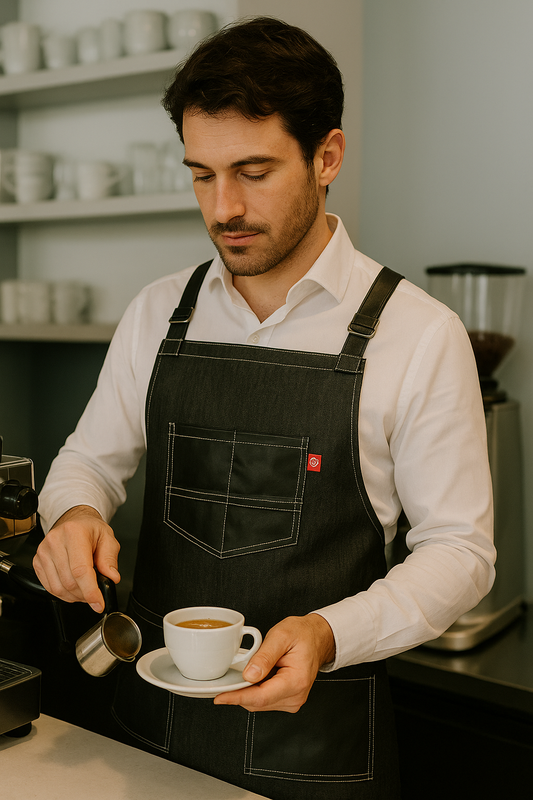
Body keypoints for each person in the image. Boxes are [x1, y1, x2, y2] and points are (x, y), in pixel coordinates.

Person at [34, 16, 495, 800]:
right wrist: (73, 513)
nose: (223, 208)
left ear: (327, 158)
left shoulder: (416, 334)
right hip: (149, 739)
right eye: (201, 174)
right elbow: (87, 461)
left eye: (253, 170)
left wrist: (325, 633)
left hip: (317, 751)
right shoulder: (158, 312)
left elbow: (460, 551)